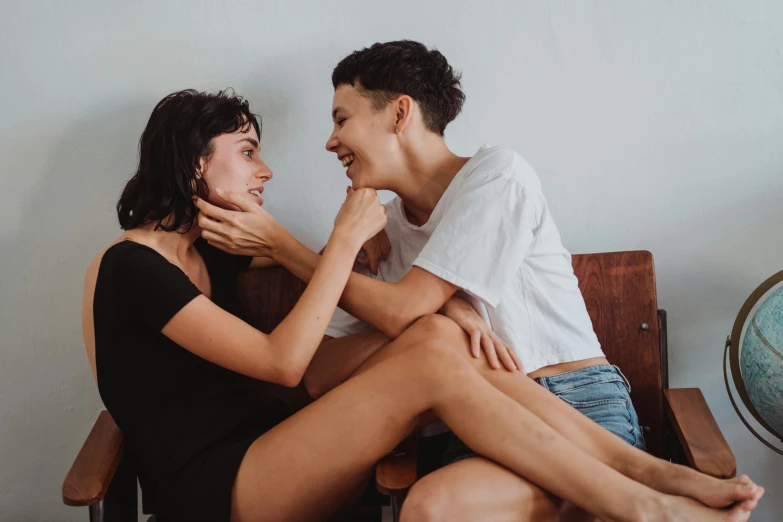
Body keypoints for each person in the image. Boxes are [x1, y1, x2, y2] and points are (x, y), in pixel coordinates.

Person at [195, 42, 764, 522]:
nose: (329, 141)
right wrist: (432, 313)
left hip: (577, 408)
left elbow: (402, 308)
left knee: (439, 509)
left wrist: (289, 250)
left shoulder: (497, 176)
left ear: (399, 114)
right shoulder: (376, 232)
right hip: (468, 430)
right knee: (430, 504)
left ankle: (646, 489)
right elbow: (320, 373)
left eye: (342, 119)